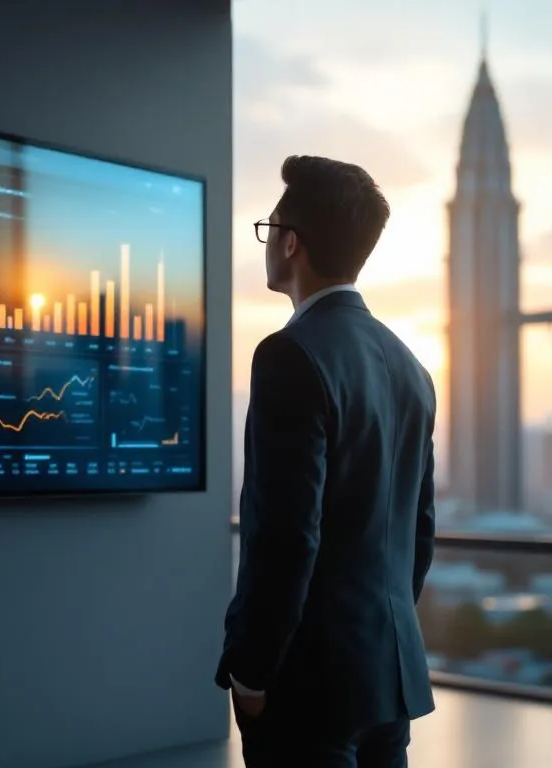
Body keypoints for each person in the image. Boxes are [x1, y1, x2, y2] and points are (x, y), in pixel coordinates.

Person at [216, 155, 438, 767]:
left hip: (307, 687)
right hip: (387, 677)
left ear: (290, 244)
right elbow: (418, 534)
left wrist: (252, 674)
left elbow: (285, 535)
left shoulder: (289, 356)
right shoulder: (412, 369)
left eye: (268, 228)